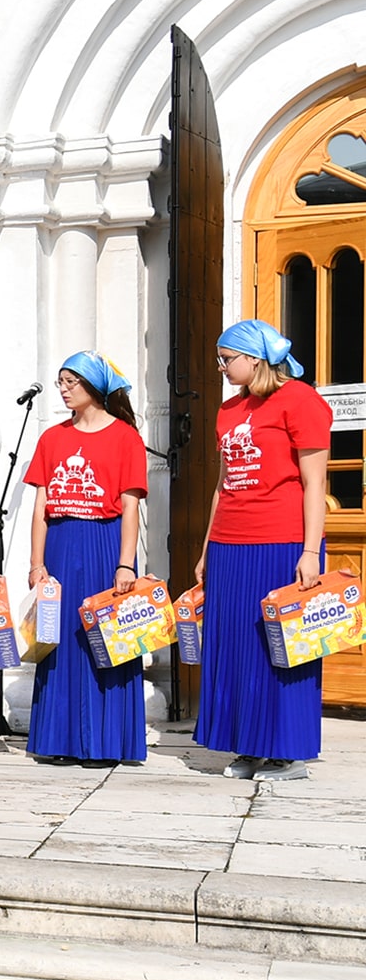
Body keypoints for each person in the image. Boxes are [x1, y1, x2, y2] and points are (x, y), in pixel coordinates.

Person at [194, 321, 333, 782]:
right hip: (230, 544)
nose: (221, 367)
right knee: (236, 648)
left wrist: (310, 551)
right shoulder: (228, 409)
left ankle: (287, 753)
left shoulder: (301, 400)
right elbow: (222, 485)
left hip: (282, 542)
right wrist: (206, 549)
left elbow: (315, 482)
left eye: (227, 358)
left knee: (283, 648)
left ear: (254, 358)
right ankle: (248, 745)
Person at [24, 353, 148, 767]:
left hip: (103, 543)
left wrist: (125, 563)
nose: (63, 389)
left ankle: (104, 742)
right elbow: (40, 507)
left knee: (106, 641)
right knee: (57, 642)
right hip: (61, 545)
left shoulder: (125, 437)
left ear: (93, 385)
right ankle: (59, 740)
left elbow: (130, 508)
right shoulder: (51, 438)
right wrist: (36, 562)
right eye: (60, 381)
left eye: (71, 381)